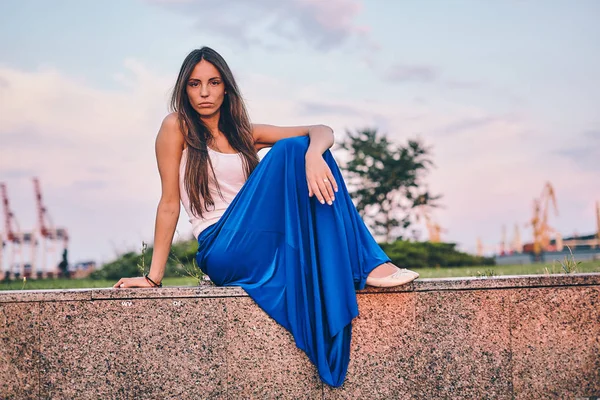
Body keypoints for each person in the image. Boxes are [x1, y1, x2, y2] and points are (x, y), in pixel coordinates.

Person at [113, 47, 419, 387]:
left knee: (303, 149)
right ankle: (364, 263)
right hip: (222, 247)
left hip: (259, 240)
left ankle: (364, 262)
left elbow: (321, 129)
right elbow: (169, 202)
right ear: (184, 89)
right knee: (289, 149)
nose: (204, 93)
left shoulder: (245, 133)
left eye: (213, 83)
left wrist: (315, 154)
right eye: (194, 84)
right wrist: (154, 277)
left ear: (226, 88)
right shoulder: (176, 127)